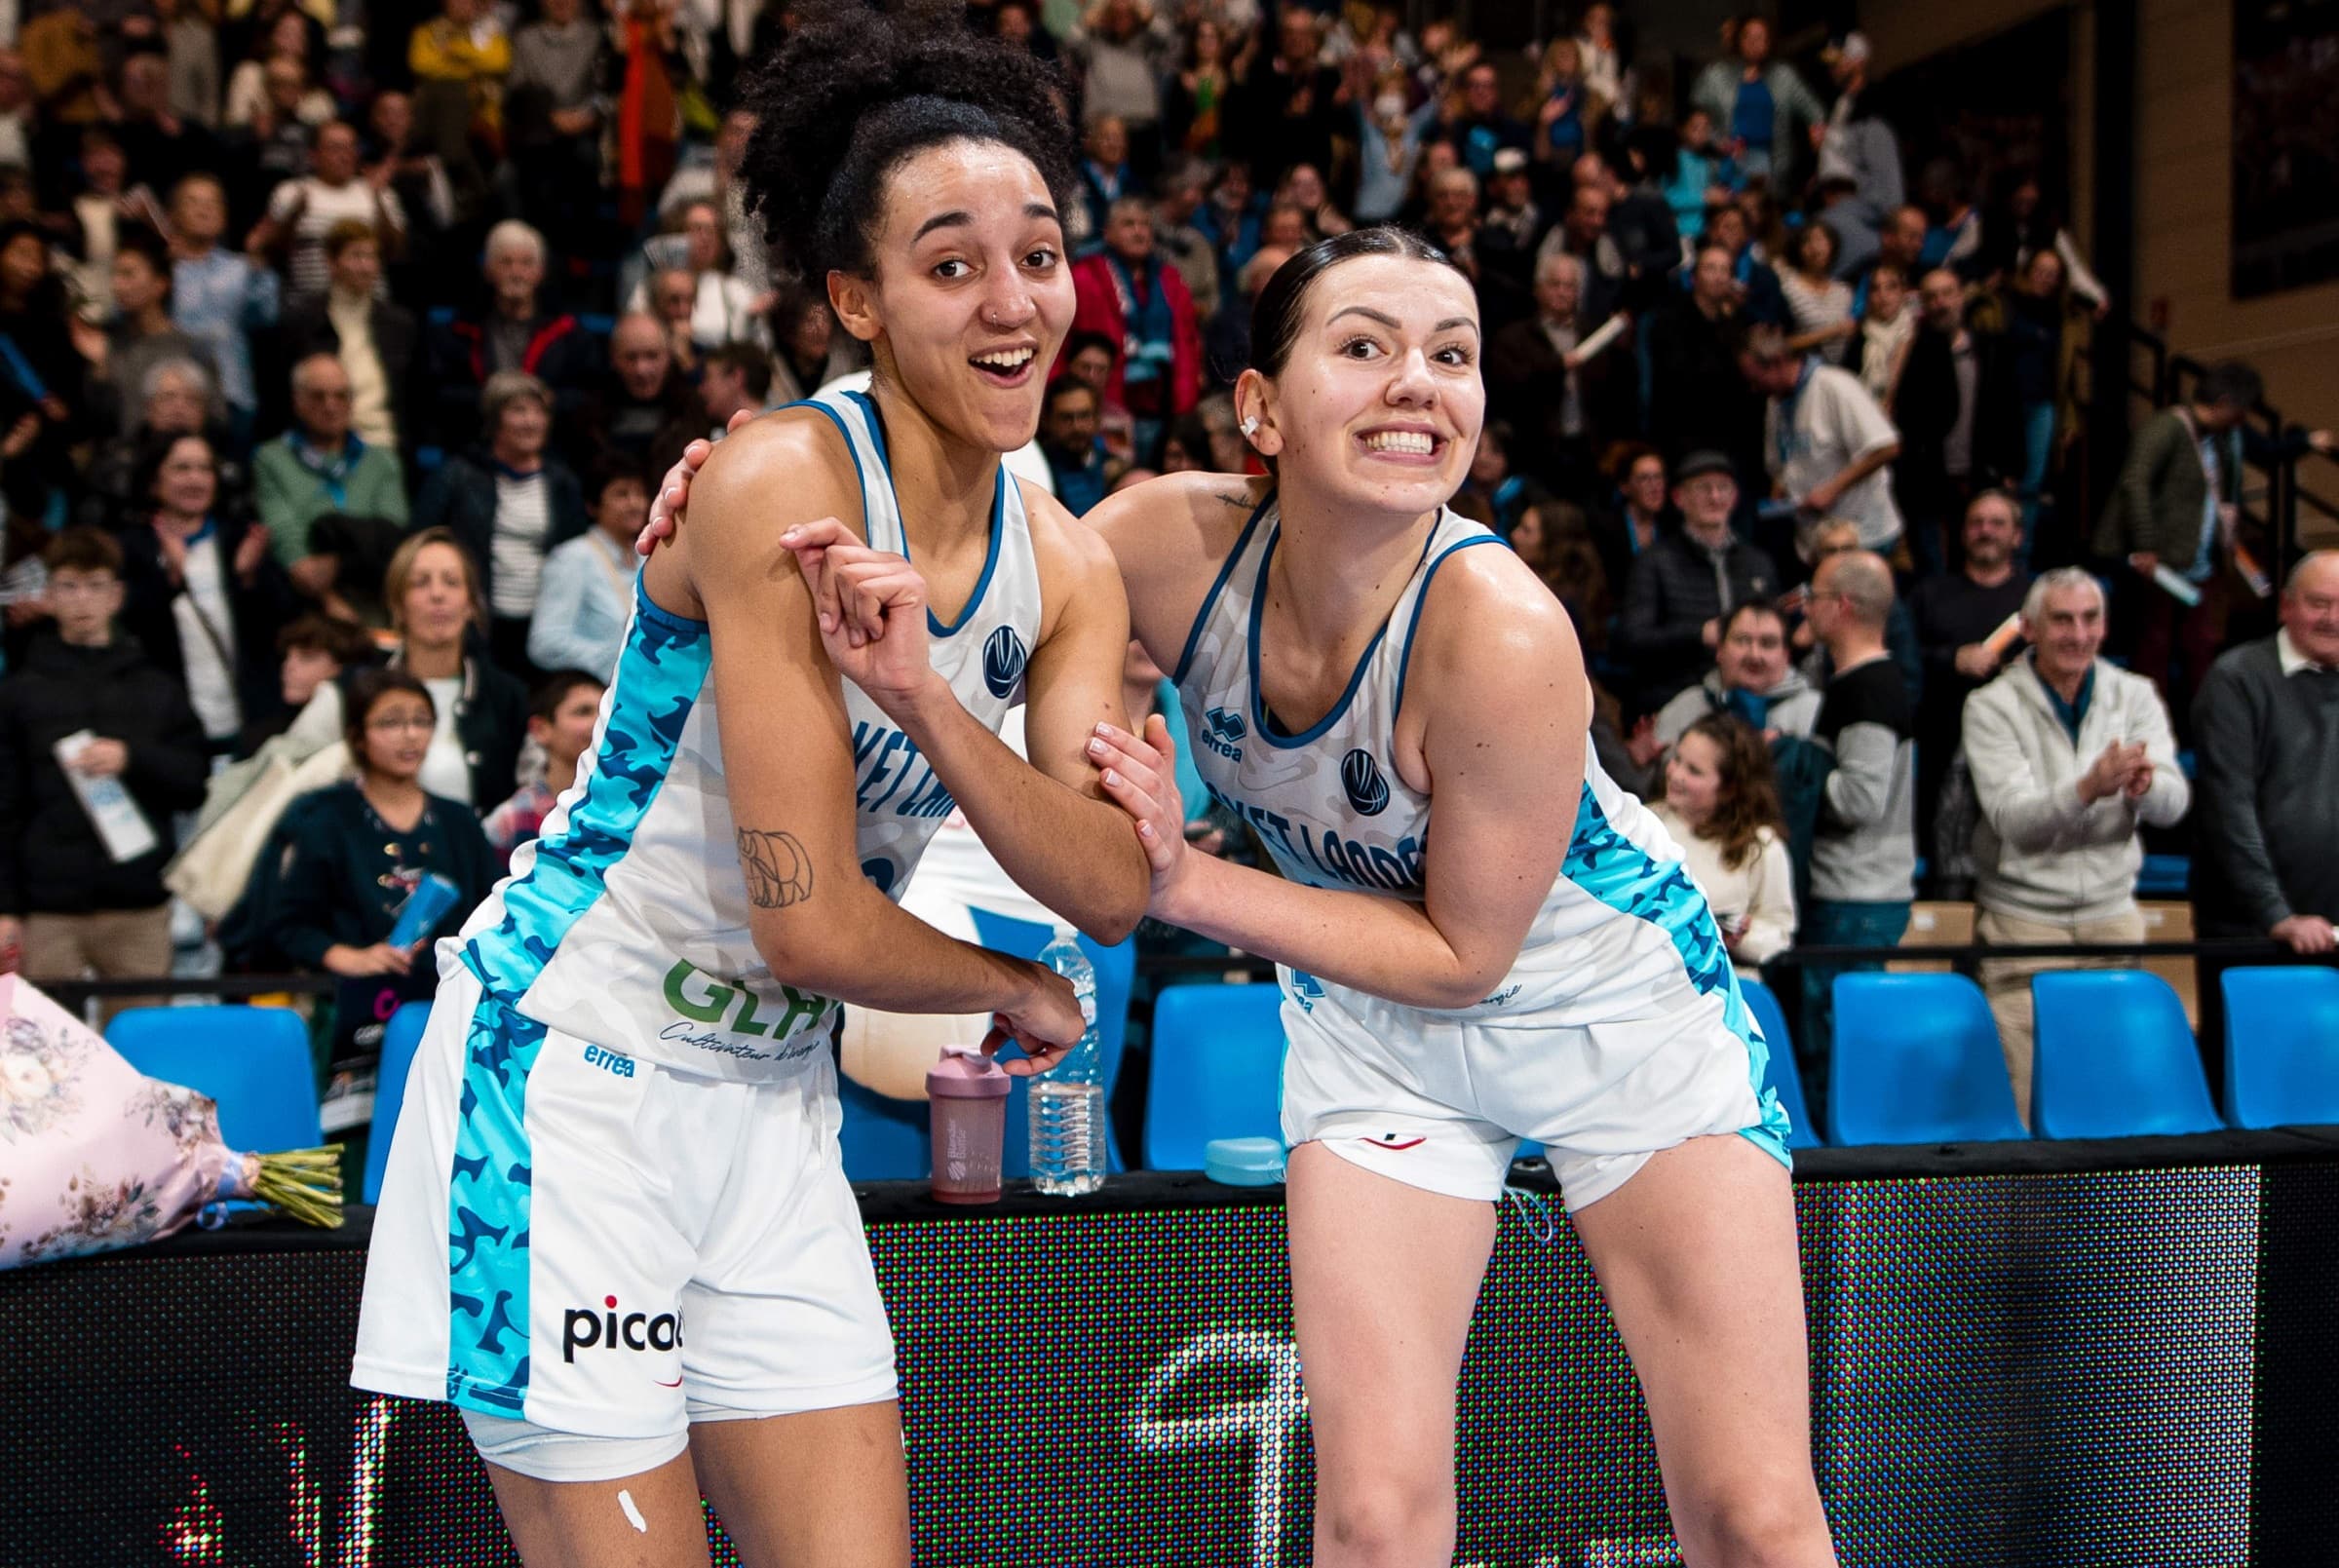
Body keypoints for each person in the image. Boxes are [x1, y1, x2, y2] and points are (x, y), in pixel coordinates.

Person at [652, 221, 1838, 1568]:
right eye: (1364, 347)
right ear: (1260, 408)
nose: (1416, 383)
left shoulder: (1502, 628)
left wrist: (1184, 877)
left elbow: (1461, 953)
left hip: (1612, 1015)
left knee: (1750, 1513)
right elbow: (978, 583)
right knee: (1373, 1517)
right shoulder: (1160, 542)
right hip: (1374, 1035)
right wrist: (730, 511)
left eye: (1450, 355)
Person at [356, 14, 1151, 1566]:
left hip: (770, 1108)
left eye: (1039, 255)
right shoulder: (783, 482)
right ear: (853, 298)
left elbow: (1113, 888)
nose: (1013, 304)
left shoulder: (1066, 564)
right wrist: (1021, 989)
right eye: (950, 264)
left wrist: (926, 690)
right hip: (570, 1077)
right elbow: (810, 927)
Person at [1962, 568, 2188, 1119]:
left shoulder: (2134, 695)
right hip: (2023, 926)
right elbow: (2012, 820)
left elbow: (2176, 803)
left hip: (2113, 919)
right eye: (2062, 620)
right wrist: (2089, 787)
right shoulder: (1991, 706)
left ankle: (2106, 1209)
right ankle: (2018, 1209)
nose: (2078, 634)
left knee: (2108, 1095)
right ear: (2032, 629)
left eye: (2090, 619)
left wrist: (2146, 787)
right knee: (2023, 1097)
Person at [0, 529, 209, 1023]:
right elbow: (4, 807)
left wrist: (133, 759)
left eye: (94, 585)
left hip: (137, 903)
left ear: (116, 595)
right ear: (48, 596)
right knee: (47, 1062)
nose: (82, 600)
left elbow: (194, 781)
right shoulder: (19, 692)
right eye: (68, 587)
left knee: (140, 1057)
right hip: (49, 907)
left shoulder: (157, 686)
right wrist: (6, 908)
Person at [242, 669, 498, 1041]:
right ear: (357, 736)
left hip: (447, 1008)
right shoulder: (326, 817)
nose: (410, 735)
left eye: (421, 721)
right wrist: (347, 957)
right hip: (352, 1012)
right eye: (390, 723)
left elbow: (490, 912)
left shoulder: (458, 820)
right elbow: (288, 923)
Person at [2092, 361, 2333, 724]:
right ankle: (2148, 725)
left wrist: (2307, 442)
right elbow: (2135, 483)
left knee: (2202, 645)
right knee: (2154, 646)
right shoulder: (2167, 428)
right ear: (2223, 403)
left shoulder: (2227, 436)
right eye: (2239, 412)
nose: (2242, 421)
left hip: (2204, 558)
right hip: (2162, 563)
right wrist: (2146, 544)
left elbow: (2265, 450)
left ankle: (2207, 722)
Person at [2190, 552, 2339, 1082]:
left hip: (2333, 936)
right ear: (2285, 607)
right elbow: (2227, 808)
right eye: (2320, 603)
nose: (2333, 619)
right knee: (2255, 1107)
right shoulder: (2236, 680)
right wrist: (2277, 914)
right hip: (2254, 936)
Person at [1797, 548, 1915, 1089]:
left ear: (1841, 605)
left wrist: (1799, 765)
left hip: (1855, 895)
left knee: (1841, 1058)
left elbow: (1861, 800)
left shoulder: (1869, 688)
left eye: (1813, 596)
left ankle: (1844, 1174)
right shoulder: (1860, 681)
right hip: (1859, 892)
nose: (1805, 606)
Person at [118, 431, 293, 755]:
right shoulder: (133, 548)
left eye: (205, 469)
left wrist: (248, 578)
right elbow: (132, 630)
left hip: (246, 720)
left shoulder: (239, 537)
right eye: (182, 468)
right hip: (175, 726)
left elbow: (280, 619)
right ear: (154, 482)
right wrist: (171, 578)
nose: (195, 479)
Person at [413, 369, 590, 679]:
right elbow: (421, 539)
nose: (531, 421)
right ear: (495, 420)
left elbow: (577, 553)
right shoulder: (457, 475)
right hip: (478, 622)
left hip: (543, 622)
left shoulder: (562, 483)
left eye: (539, 411)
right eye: (519, 410)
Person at [1615, 449, 1783, 715]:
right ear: (1679, 498)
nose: (1715, 497)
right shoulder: (1654, 562)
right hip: (1676, 698)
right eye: (1704, 489)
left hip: (1751, 700)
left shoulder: (1757, 562)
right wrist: (1698, 634)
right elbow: (1632, 639)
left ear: (1735, 497)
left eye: (1723, 488)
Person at [1892, 267, 2021, 576]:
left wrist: (2011, 467)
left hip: (1980, 470)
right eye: (1932, 297)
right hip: (1930, 476)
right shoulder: (1916, 351)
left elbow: (2009, 408)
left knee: (1981, 558)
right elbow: (1905, 416)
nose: (1941, 303)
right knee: (1934, 563)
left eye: (1948, 293)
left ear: (1961, 297)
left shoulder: (1989, 348)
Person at [421, 220, 595, 447]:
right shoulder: (458, 332)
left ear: (541, 272)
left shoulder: (570, 334)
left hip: (552, 451)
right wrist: (491, 399)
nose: (516, 272)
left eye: (526, 263)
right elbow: (438, 395)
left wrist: (547, 400)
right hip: (476, 447)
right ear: (488, 270)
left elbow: (588, 395)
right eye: (506, 262)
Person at [1650, 712, 1798, 977]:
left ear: (1730, 787)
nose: (1676, 774)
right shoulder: (1641, 822)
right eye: (1677, 759)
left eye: (1694, 771)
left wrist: (1740, 936)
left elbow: (1779, 935)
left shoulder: (1761, 846)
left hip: (1726, 987)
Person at [1741, 322, 1904, 556]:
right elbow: (1782, 462)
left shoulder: (1834, 385)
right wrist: (1781, 488)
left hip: (1863, 535)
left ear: (1777, 362)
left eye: (1757, 379)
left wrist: (1832, 489)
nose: (1754, 388)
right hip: (1815, 538)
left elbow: (1886, 447)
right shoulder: (1775, 402)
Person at [1486, 249, 1636, 500]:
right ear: (1538, 288)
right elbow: (1508, 389)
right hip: (1535, 455)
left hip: (1588, 452)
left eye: (1570, 286)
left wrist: (1623, 349)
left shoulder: (1593, 334)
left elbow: (1617, 393)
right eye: (1555, 284)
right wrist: (1557, 367)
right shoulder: (1514, 338)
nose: (1563, 292)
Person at [254, 354, 411, 593]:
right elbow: (289, 545)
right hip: (306, 606)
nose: (330, 406)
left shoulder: (382, 461)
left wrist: (340, 565)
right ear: (298, 401)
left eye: (341, 395)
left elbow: (392, 539)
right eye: (318, 396)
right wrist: (330, 603)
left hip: (376, 598)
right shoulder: (271, 459)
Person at [1064, 195, 1202, 464]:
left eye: (1144, 225)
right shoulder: (1084, 277)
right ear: (1109, 232)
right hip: (1105, 405)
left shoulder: (1169, 279)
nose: (1139, 232)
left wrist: (1185, 406)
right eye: (1128, 224)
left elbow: (1188, 344)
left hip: (1163, 408)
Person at [277, 220, 417, 453]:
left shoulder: (400, 324)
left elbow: (414, 397)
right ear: (331, 262)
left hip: (384, 440)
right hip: (320, 443)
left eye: (372, 257)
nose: (365, 267)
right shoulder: (302, 320)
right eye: (356, 256)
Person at [248, 120, 406, 299]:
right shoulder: (291, 192)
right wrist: (294, 215)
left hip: (371, 303)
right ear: (313, 156)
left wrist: (377, 201)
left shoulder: (380, 193)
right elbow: (270, 252)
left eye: (351, 148)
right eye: (335, 148)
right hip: (308, 307)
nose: (345, 156)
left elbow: (395, 251)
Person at [528, 454, 648, 680]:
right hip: (597, 696)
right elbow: (545, 642)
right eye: (621, 494)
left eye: (640, 493)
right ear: (593, 506)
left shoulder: (649, 557)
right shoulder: (573, 557)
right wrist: (612, 658)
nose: (634, 503)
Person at [1653, 600, 1822, 748]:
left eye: (1767, 643)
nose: (1754, 655)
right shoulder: (1686, 706)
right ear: (1720, 649)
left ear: (1786, 655)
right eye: (1742, 640)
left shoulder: (1814, 710)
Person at [482, 669, 606, 867]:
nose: (599, 722)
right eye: (583, 712)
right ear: (539, 729)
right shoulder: (512, 818)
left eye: (604, 711)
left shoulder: (628, 805)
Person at [1690, 15, 1824, 194]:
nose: (1754, 43)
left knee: (1763, 212)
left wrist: (1816, 128)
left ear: (1769, 42)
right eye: (1748, 37)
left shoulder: (1784, 76)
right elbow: (1692, 117)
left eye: (1760, 37)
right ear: (1739, 40)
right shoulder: (1716, 75)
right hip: (1726, 163)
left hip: (1771, 165)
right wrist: (1718, 142)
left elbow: (1815, 111)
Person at [1778, 221, 1855, 363]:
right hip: (1802, 369)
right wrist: (1831, 332)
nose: (1815, 248)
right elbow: (1782, 342)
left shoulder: (1844, 291)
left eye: (1821, 240)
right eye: (1808, 241)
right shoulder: (1788, 289)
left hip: (1837, 370)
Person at [1039, 375, 1112, 516]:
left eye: (1084, 416)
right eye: (1066, 418)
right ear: (1046, 421)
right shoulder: (1037, 471)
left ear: (1097, 418)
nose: (1077, 427)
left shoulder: (1111, 465)